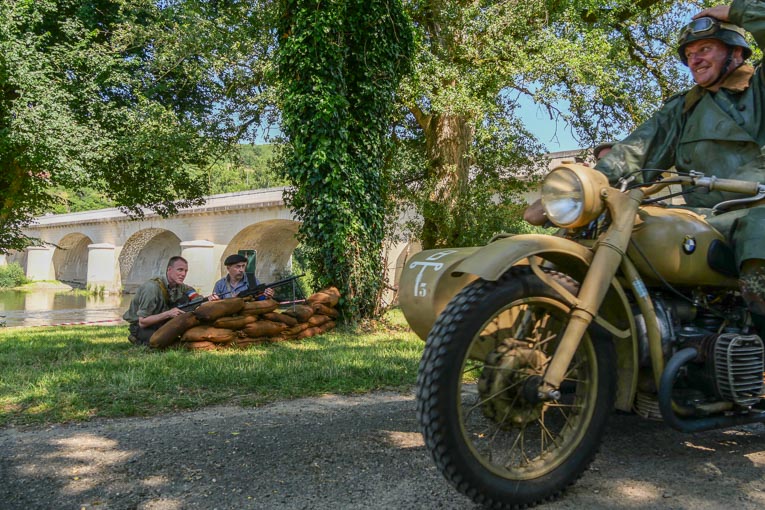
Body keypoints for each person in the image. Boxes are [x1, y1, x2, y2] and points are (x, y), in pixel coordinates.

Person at [533, 1, 765, 324]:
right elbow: (636, 151)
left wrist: (740, 10)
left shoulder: (758, 89)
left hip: (755, 209)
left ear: (736, 52)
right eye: (689, 54)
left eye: (705, 49)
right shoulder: (685, 108)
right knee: (632, 229)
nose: (695, 59)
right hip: (705, 218)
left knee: (760, 234)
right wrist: (577, 193)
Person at [123, 256, 219, 346]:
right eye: (180, 270)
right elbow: (143, 322)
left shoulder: (181, 286)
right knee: (162, 342)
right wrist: (169, 314)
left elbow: (195, 298)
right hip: (143, 326)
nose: (183, 274)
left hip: (161, 321)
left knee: (186, 302)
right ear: (169, 270)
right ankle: (136, 337)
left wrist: (208, 300)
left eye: (185, 271)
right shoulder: (151, 288)